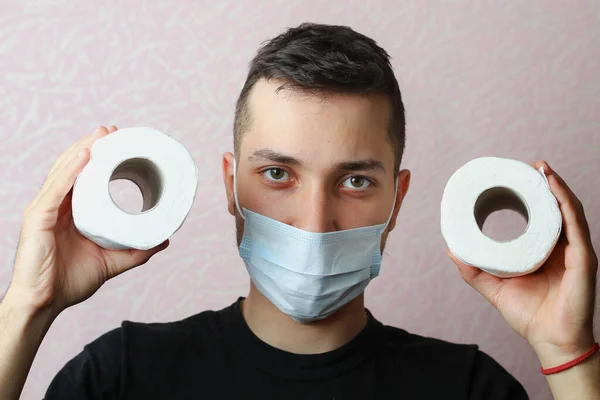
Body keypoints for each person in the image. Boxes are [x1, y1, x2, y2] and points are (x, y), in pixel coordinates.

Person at [0, 22, 598, 400]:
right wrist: (26, 310)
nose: (315, 221)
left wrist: (563, 349)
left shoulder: (468, 388)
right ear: (233, 185)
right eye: (278, 174)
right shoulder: (121, 377)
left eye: (356, 180)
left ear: (397, 200)